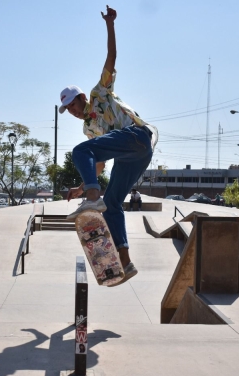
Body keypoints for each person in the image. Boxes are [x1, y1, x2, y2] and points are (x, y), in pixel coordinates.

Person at [61, 5, 157, 285]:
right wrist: (82, 186)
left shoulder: (99, 93)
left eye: (73, 106)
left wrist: (110, 25)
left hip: (138, 137)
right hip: (133, 157)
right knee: (113, 203)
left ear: (81, 98)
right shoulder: (88, 127)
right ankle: (126, 263)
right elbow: (99, 164)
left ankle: (93, 198)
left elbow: (111, 57)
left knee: (80, 150)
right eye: (68, 111)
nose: (73, 112)